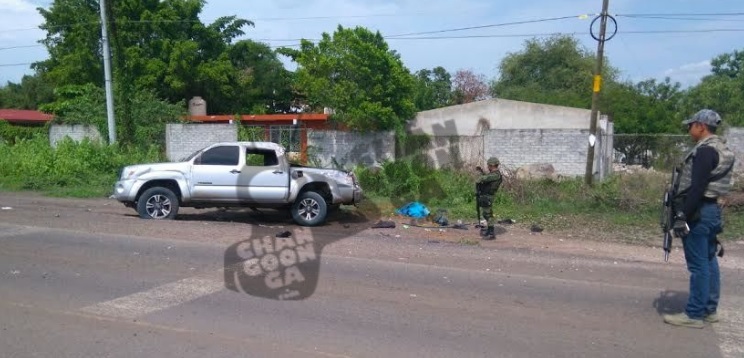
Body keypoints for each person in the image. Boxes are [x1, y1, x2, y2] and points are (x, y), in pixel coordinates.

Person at [663, 109, 736, 329]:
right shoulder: (720, 148)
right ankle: (709, 310)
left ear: (701, 126)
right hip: (711, 210)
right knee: (709, 259)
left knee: (698, 266)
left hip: (700, 211)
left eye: (691, 125)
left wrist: (683, 215)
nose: (689, 129)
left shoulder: (705, 151)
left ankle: (694, 314)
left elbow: (697, 188)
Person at [476, 157, 503, 240]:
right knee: (487, 213)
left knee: (487, 214)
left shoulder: (495, 175)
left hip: (488, 196)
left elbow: (481, 179)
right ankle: (489, 230)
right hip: (485, 195)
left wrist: (480, 176)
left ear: (492, 165)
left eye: (488, 165)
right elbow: (486, 178)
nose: (487, 166)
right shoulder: (493, 174)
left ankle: (491, 233)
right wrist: (481, 171)